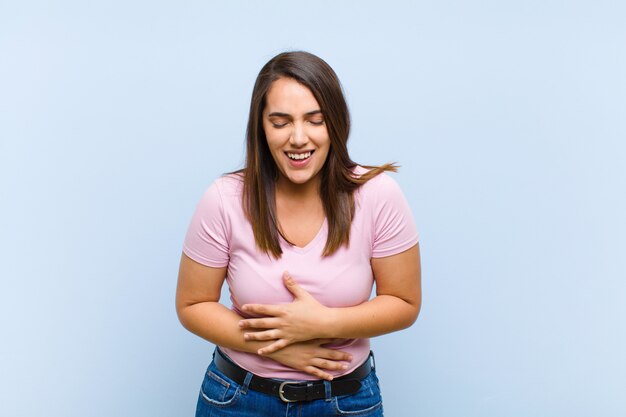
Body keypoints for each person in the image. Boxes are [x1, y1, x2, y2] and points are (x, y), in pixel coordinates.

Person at [176, 51, 421, 417]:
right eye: (280, 122)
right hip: (237, 400)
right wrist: (277, 347)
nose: (298, 138)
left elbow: (404, 303)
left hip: (346, 402)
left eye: (315, 120)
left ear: (335, 123)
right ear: (261, 126)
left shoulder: (378, 195)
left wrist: (324, 323)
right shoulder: (224, 198)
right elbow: (192, 305)